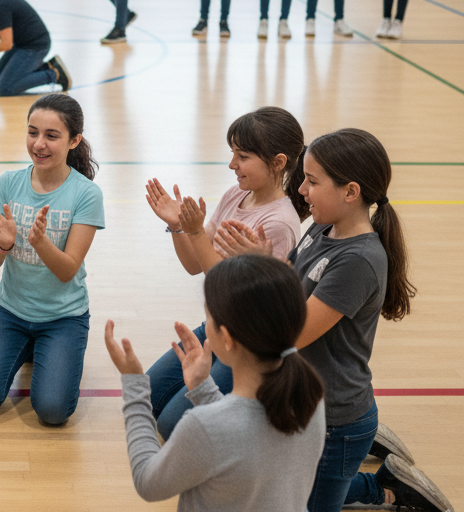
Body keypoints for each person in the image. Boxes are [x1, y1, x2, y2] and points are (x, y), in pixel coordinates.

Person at [216, 128, 452, 512]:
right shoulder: (322, 226)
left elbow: (291, 334)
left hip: (335, 422)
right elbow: (292, 283)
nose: (301, 191)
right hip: (302, 402)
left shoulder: (358, 260)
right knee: (286, 487)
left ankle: (384, 488)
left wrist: (252, 281)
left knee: (304, 497)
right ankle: (381, 485)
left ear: (351, 192)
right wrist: (265, 262)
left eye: (311, 181)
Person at [105, 255, 326, 510]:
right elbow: (244, 442)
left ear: (228, 339)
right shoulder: (310, 398)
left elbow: (148, 481)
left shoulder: (204, 427)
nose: (205, 326)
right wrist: (203, 389)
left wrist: (135, 387)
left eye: (208, 317)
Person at [142, 106, 309, 440]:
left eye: (242, 156)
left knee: (172, 426)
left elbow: (225, 284)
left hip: (247, 346)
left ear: (278, 162)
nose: (232, 164)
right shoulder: (237, 194)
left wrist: (194, 232)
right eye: (233, 153)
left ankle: (254, 411)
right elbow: (195, 265)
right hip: (217, 328)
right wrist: (178, 227)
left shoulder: (279, 222)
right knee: (147, 398)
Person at [0, 94, 104, 425]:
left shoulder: (86, 194)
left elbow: (67, 270)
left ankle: (51, 348)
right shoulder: (8, 184)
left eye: (51, 136)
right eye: (32, 132)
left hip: (64, 318)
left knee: (53, 411)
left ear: (74, 140)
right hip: (11, 313)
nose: (39, 144)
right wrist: (3, 245)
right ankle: (29, 347)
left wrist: (40, 243)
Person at [0, 0, 71, 95]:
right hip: (21, 44)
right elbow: (0, 33)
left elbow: (6, 44)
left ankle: (54, 74)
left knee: (5, 88)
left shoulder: (2, 5)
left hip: (35, 47)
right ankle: (40, 67)